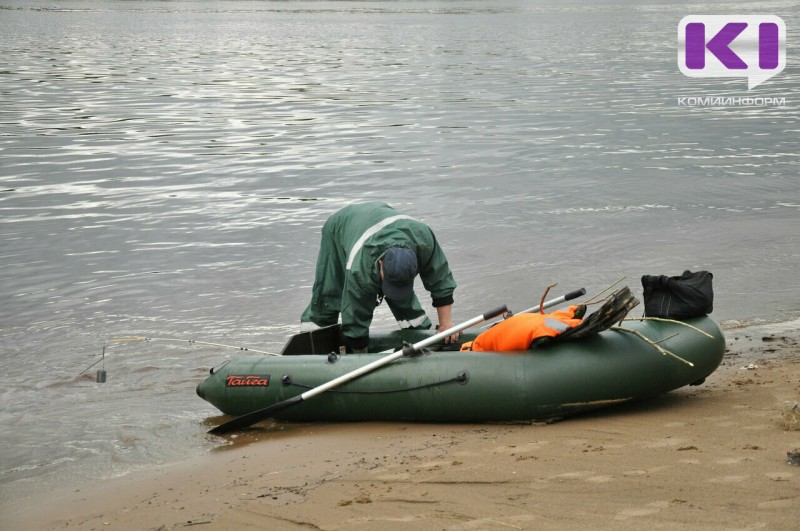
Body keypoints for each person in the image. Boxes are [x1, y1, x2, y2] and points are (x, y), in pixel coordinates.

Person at [300, 202, 458, 353]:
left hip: (381, 219)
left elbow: (441, 280)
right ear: (381, 263)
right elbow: (355, 314)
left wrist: (446, 325)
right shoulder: (360, 267)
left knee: (403, 300)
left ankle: (419, 336)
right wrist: (359, 354)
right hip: (341, 226)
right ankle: (308, 347)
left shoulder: (424, 240)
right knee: (330, 292)